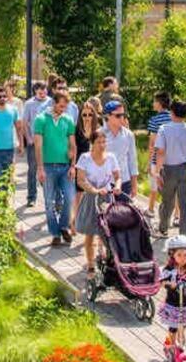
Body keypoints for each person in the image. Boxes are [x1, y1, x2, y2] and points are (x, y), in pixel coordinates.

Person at [33, 90, 77, 247]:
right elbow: (38, 146)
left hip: (66, 167)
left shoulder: (68, 120)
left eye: (65, 106)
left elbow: (73, 145)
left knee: (70, 198)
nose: (62, 109)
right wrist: (40, 168)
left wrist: (73, 166)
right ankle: (55, 233)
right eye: (60, 106)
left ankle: (63, 226)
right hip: (48, 167)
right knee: (49, 202)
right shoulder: (41, 120)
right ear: (53, 103)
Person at [153, 100, 186, 238]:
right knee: (185, 204)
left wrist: (157, 172)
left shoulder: (164, 129)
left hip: (168, 169)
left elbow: (161, 152)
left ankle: (163, 228)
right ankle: (185, 234)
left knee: (167, 202)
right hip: (185, 169)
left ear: (171, 112)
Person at [75, 130, 121, 274]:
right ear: (92, 144)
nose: (102, 145)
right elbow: (80, 180)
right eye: (98, 142)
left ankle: (106, 258)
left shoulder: (111, 157)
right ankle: (90, 264)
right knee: (90, 232)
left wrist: (118, 186)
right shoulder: (85, 158)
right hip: (91, 197)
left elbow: (118, 176)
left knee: (108, 232)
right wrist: (94, 190)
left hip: (107, 197)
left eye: (104, 142)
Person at [160, 235, 186, 362]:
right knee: (173, 327)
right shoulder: (170, 270)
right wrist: (169, 284)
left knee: (184, 325)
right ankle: (171, 345)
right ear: (172, 255)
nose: (183, 258)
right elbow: (162, 281)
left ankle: (177, 343)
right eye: (179, 255)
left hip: (185, 305)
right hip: (173, 305)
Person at [71, 103, 101, 233]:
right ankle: (75, 222)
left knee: (92, 197)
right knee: (78, 196)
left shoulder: (99, 129)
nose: (87, 117)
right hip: (80, 167)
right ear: (80, 115)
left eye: (90, 114)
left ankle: (90, 225)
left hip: (95, 167)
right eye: (84, 114)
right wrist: (72, 166)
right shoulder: (76, 129)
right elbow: (73, 149)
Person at [99, 100, 139, 197]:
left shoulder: (129, 135)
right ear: (107, 116)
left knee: (123, 212)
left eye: (123, 115)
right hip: (103, 184)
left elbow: (132, 161)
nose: (122, 118)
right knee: (104, 212)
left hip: (124, 182)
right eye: (118, 115)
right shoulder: (98, 134)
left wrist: (134, 185)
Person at [22, 82, 52, 207]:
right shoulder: (29, 104)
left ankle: (48, 196)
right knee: (33, 169)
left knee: (48, 170)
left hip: (49, 142)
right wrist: (28, 138)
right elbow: (25, 122)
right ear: (35, 91)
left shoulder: (51, 102)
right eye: (40, 91)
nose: (43, 93)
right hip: (34, 142)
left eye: (44, 90)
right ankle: (31, 197)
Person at [146, 91, 173, 219]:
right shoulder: (174, 118)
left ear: (160, 103)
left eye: (154, 101)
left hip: (158, 159)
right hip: (172, 159)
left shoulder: (154, 120)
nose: (153, 103)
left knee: (154, 186)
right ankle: (177, 215)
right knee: (173, 190)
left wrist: (149, 161)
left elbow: (153, 143)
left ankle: (151, 209)